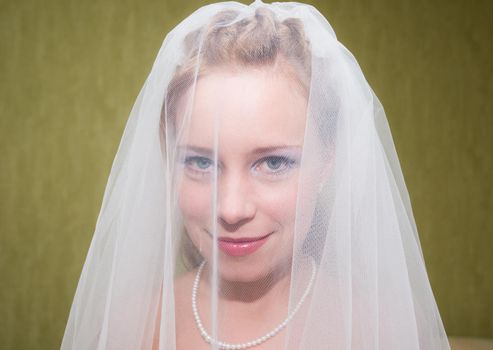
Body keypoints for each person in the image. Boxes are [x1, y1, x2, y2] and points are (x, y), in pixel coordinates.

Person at [61, 1, 451, 349]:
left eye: (274, 163)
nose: (231, 209)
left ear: (327, 162)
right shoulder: (125, 327)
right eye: (200, 162)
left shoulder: (386, 331)